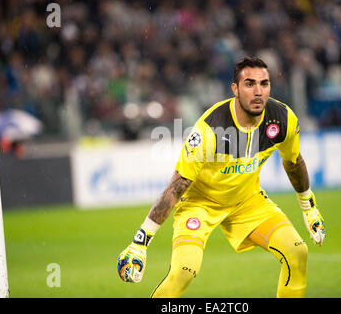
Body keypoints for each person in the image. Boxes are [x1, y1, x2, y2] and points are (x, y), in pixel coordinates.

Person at [117, 56, 325, 298]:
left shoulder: (282, 119)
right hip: (199, 205)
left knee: (297, 251)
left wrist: (308, 207)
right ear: (235, 89)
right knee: (184, 272)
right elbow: (177, 186)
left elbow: (293, 161)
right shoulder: (209, 129)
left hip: (247, 202)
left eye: (264, 84)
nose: (258, 92)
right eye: (249, 84)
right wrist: (141, 242)